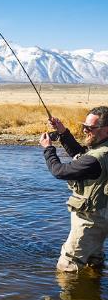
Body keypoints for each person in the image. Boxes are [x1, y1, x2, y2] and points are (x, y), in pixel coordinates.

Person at [40, 106, 108, 272]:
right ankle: (92, 292)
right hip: (102, 218)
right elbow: (81, 154)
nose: (84, 130)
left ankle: (68, 297)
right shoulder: (102, 150)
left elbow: (60, 171)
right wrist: (63, 132)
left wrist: (48, 149)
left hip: (89, 221)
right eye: (84, 125)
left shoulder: (96, 158)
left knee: (67, 267)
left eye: (90, 128)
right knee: (93, 262)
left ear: (106, 130)